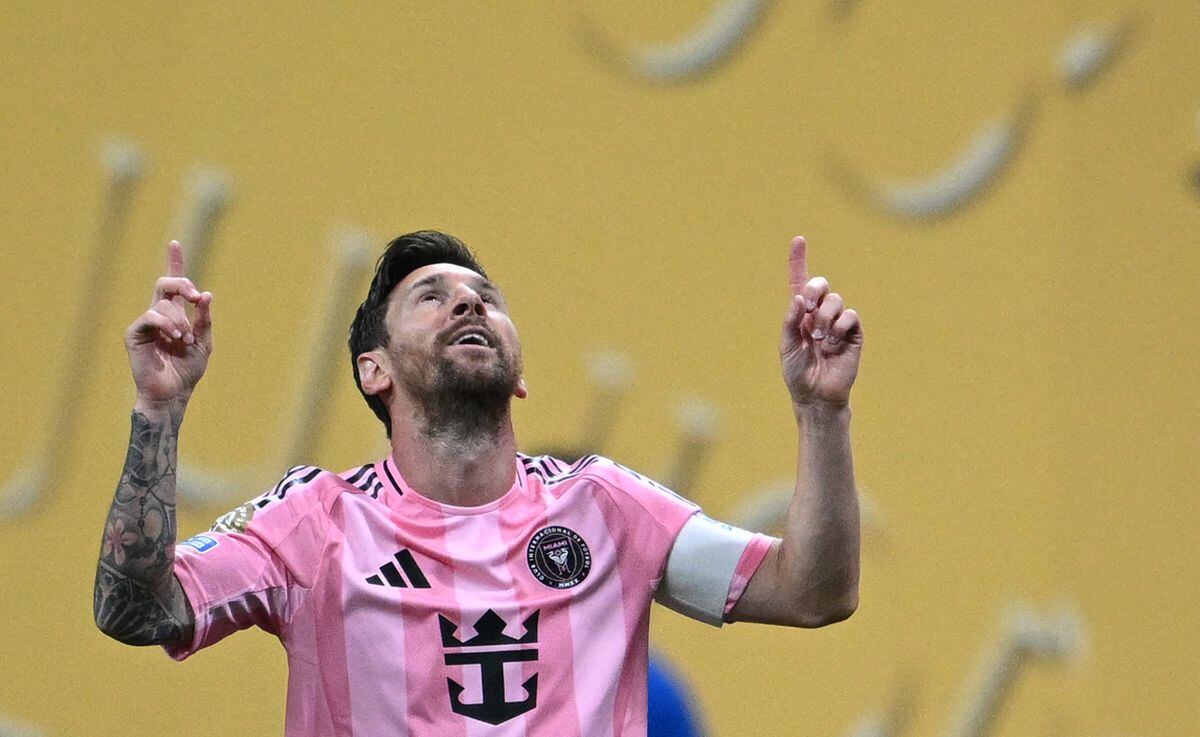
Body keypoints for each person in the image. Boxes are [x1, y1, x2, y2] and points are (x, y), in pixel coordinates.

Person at [93, 230, 863, 736]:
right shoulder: (313, 523)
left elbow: (814, 591)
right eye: (431, 296)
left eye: (487, 299)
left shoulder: (606, 508)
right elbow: (134, 608)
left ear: (519, 373)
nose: (470, 302)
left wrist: (821, 412)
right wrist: (158, 411)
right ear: (376, 370)